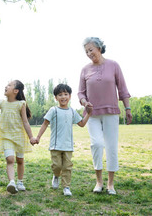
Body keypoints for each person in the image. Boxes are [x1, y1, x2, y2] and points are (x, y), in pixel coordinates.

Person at [78, 37, 132, 195]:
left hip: (111, 112)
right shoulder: (85, 70)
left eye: (90, 50)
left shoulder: (113, 65)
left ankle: (110, 184)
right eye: (86, 51)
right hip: (92, 114)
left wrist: (127, 108)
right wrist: (83, 101)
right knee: (96, 144)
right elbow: (81, 92)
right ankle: (98, 182)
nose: (88, 53)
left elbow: (122, 89)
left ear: (99, 48)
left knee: (111, 147)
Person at [34, 84, 92, 196]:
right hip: (55, 145)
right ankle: (56, 176)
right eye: (60, 95)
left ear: (70, 96)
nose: (63, 97)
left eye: (66, 94)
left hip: (68, 146)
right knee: (57, 166)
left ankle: (66, 187)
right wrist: (38, 137)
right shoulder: (53, 110)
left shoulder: (72, 111)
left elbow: (82, 124)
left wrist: (88, 113)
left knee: (67, 167)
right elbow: (45, 124)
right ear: (56, 98)